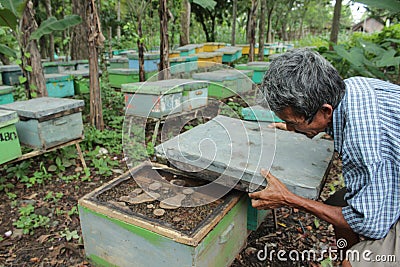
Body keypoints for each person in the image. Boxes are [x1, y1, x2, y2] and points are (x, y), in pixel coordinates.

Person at [249, 48, 400, 266]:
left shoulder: (365, 139)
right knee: (338, 201)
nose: (292, 129)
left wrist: (289, 199)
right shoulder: (348, 90)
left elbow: (370, 223)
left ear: (325, 111)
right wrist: (295, 126)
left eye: (294, 123)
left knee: (354, 263)